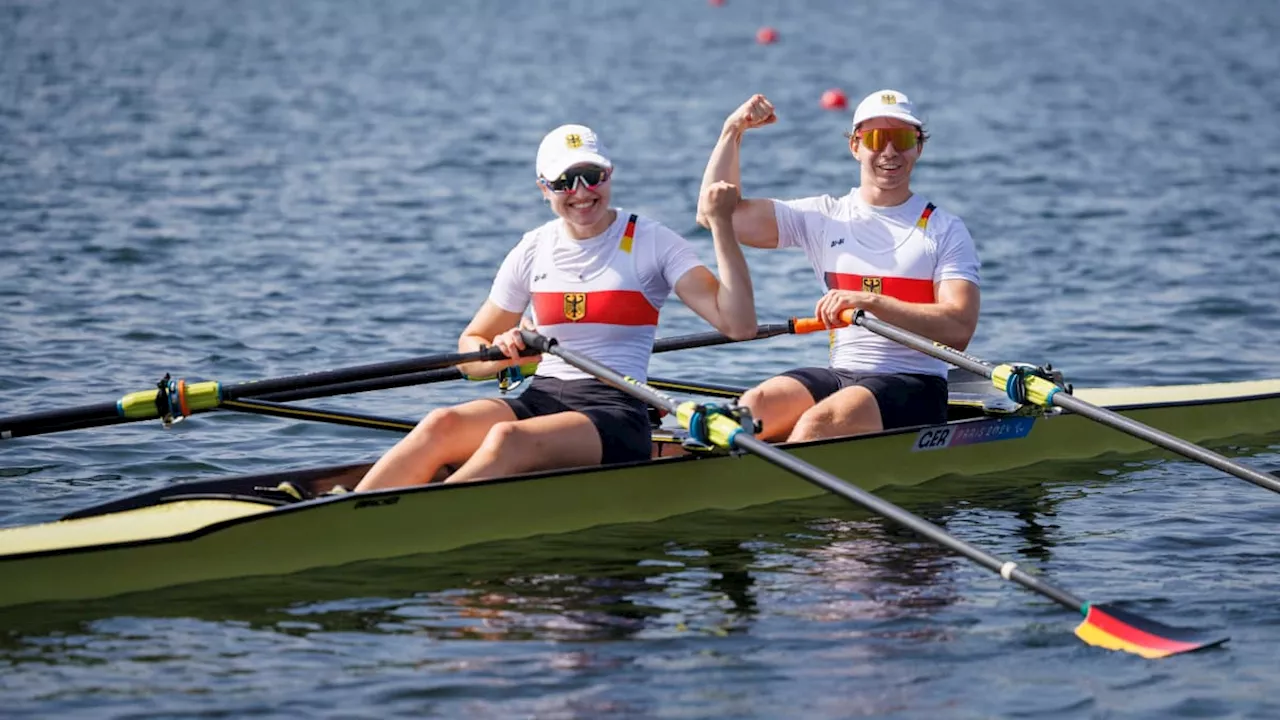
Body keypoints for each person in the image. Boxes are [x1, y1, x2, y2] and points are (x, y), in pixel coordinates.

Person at [356, 124, 756, 490]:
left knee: (507, 439)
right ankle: (352, 507)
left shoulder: (652, 241)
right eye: (565, 182)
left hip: (615, 412)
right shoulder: (533, 248)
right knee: (440, 423)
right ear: (543, 189)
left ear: (609, 174)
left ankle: (418, 516)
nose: (581, 192)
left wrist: (721, 225)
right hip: (541, 398)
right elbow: (469, 350)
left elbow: (738, 325)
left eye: (592, 176)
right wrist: (502, 352)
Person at [696, 90, 981, 442]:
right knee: (751, 408)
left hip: (917, 382)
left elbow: (959, 329)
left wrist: (870, 302)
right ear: (855, 147)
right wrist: (732, 130)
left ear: (918, 148)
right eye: (876, 139)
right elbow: (715, 216)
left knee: (818, 425)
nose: (889, 151)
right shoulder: (824, 216)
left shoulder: (943, 229)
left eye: (902, 139)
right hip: (843, 374)